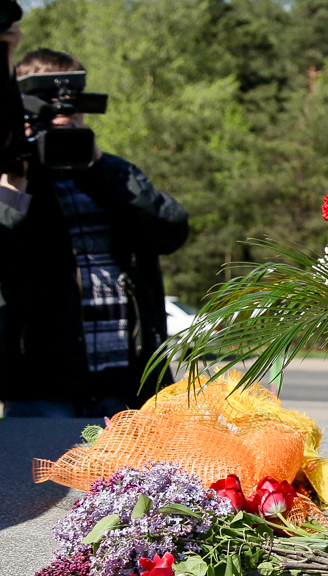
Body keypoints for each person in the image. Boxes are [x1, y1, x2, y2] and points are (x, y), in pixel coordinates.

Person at [0, 48, 188, 418]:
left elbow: (171, 231)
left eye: (71, 108)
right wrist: (17, 174)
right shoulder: (13, 179)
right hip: (41, 384)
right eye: (49, 109)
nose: (63, 119)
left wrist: (99, 166)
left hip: (127, 383)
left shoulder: (111, 173)